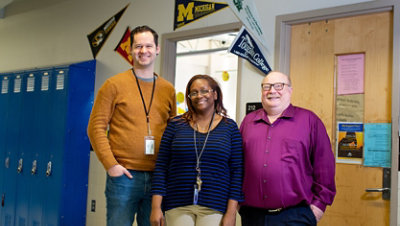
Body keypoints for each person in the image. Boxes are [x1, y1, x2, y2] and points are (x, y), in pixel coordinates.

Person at [87, 25, 176, 226]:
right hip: (124, 176)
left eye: (148, 46)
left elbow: (173, 131)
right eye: (138, 46)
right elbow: (95, 127)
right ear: (130, 49)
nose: (143, 51)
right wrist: (111, 165)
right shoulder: (113, 85)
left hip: (158, 177)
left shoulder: (168, 89)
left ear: (157, 49)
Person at [239, 71, 336, 226]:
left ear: (290, 90)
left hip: (294, 216)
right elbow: (238, 165)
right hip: (252, 216)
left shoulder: (309, 121)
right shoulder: (248, 122)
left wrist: (318, 208)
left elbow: (324, 167)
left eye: (279, 86)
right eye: (267, 87)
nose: (272, 91)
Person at [150, 74, 243, 226]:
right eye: (194, 92)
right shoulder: (175, 125)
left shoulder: (230, 127)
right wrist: (155, 207)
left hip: (215, 205)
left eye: (204, 91)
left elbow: (237, 171)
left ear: (215, 94)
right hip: (177, 203)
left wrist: (231, 213)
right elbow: (161, 167)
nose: (199, 96)